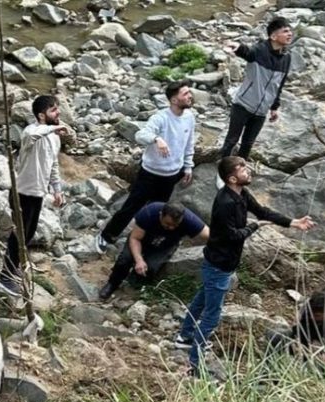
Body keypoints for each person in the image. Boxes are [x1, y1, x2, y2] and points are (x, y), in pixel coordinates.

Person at [174, 156, 316, 374]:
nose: (247, 171)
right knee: (211, 315)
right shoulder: (225, 203)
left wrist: (294, 222)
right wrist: (254, 227)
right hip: (219, 265)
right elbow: (232, 235)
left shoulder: (241, 194)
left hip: (222, 263)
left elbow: (263, 211)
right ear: (232, 178)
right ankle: (194, 363)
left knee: (203, 298)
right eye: (242, 169)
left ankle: (185, 336)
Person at [95, 82, 195, 254]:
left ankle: (147, 242)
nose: (190, 96)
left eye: (189, 92)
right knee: (130, 207)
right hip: (150, 173)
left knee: (160, 211)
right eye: (185, 93)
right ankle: (106, 236)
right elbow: (140, 135)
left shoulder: (189, 117)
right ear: (173, 99)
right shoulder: (161, 117)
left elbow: (189, 143)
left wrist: (188, 166)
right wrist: (157, 139)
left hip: (171, 175)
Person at [0, 95, 68, 298]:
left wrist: (57, 189)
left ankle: (14, 267)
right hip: (21, 193)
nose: (58, 113)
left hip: (37, 194)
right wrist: (55, 128)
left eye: (58, 109)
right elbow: (35, 134)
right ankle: (4, 276)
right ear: (41, 115)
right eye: (54, 110)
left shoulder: (53, 138)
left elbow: (53, 166)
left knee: (28, 234)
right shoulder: (30, 132)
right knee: (18, 236)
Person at [218, 18, 293, 166]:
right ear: (273, 36)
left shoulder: (287, 57)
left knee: (247, 144)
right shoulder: (260, 50)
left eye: (290, 31)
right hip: (243, 105)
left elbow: (279, 84)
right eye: (285, 31)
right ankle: (223, 171)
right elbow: (247, 52)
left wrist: (274, 107)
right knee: (231, 140)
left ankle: (239, 172)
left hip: (262, 111)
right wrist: (237, 46)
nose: (290, 34)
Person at [97, 202, 209, 300]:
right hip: (142, 239)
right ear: (161, 214)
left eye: (175, 225)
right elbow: (135, 238)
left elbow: (208, 234)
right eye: (168, 224)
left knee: (151, 267)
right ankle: (113, 283)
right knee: (125, 259)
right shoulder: (149, 212)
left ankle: (134, 284)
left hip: (166, 244)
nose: (171, 228)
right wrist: (139, 260)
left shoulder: (189, 220)